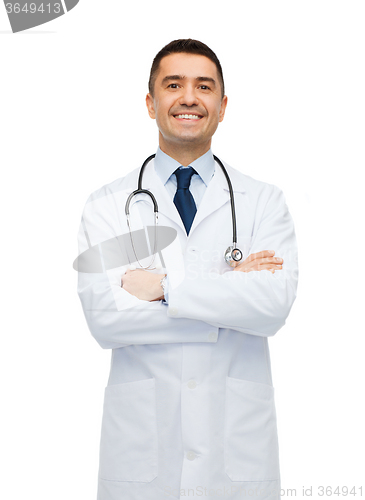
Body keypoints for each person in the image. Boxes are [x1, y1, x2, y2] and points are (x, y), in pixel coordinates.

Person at [77, 39, 298, 500]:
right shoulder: (107, 205)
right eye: (173, 84)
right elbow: (106, 319)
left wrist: (163, 289)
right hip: (142, 456)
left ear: (222, 106)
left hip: (236, 455)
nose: (189, 97)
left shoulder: (263, 201)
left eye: (204, 86)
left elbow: (272, 307)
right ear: (151, 103)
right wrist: (229, 296)